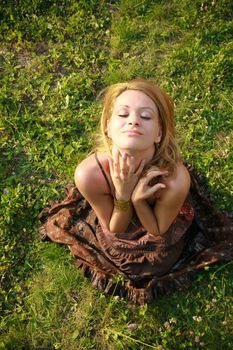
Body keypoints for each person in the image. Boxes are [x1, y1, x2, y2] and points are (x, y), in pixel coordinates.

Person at [39, 79, 233, 304]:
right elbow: (115, 227)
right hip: (119, 222)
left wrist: (139, 201)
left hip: (159, 226)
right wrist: (122, 196)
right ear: (108, 128)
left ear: (159, 133)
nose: (133, 121)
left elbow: (158, 229)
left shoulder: (174, 179)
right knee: (121, 253)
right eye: (123, 114)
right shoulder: (90, 174)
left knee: (160, 261)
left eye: (146, 116)